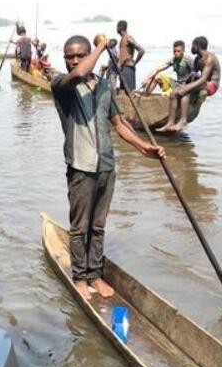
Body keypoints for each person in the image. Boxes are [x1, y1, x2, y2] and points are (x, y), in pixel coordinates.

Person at [51, 35, 165, 300]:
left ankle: (95, 275)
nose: (75, 60)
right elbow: (80, 72)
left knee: (98, 226)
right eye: (70, 56)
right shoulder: (61, 85)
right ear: (65, 59)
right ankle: (80, 277)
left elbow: (119, 123)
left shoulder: (104, 86)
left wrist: (142, 146)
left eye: (81, 54)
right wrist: (103, 46)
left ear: (88, 53)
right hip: (81, 167)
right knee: (80, 227)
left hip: (106, 166)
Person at [160, 36, 221, 133]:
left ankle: (183, 121)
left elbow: (203, 79)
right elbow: (192, 75)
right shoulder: (197, 59)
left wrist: (186, 88)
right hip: (202, 82)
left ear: (197, 46)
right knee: (174, 93)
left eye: (193, 45)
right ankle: (170, 122)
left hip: (211, 85)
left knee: (185, 91)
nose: (191, 47)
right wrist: (183, 85)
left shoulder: (210, 58)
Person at [116, 20, 145, 91]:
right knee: (123, 92)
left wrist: (135, 63)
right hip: (123, 69)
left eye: (117, 27)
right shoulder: (122, 39)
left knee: (130, 92)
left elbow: (141, 50)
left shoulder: (128, 38)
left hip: (128, 69)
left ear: (119, 28)